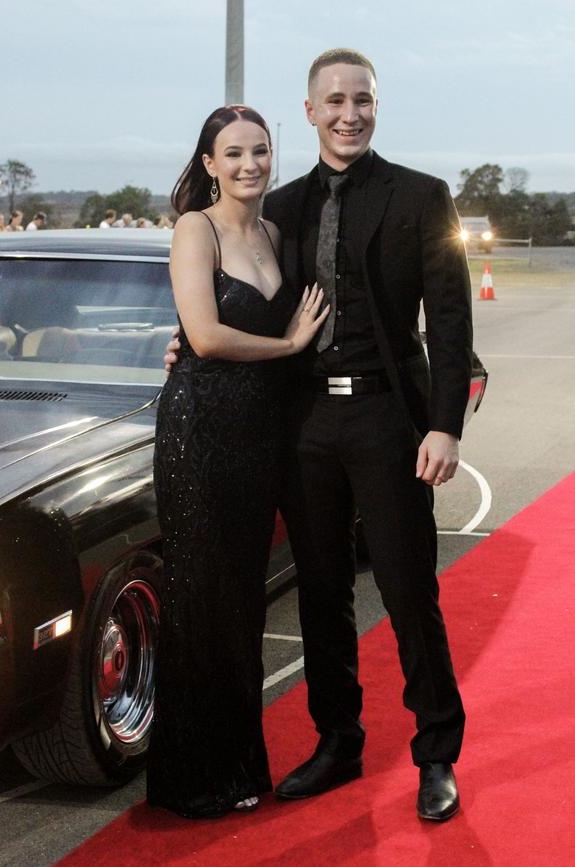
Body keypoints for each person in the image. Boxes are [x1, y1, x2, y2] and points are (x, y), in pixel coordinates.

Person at [166, 48, 472, 823]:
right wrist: (181, 346)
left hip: (386, 422)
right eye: (333, 101)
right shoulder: (284, 207)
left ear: (376, 106)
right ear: (310, 112)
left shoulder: (422, 197)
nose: (349, 113)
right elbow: (235, 307)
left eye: (361, 99)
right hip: (302, 425)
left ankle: (436, 752)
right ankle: (339, 739)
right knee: (322, 596)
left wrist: (444, 425)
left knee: (408, 590)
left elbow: (451, 318)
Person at [147, 104, 329, 820]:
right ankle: (192, 779)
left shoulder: (277, 231)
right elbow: (206, 334)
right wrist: (287, 346)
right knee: (202, 598)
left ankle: (238, 766)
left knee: (244, 602)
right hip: (199, 433)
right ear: (209, 163)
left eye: (261, 150)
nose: (250, 163)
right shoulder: (197, 228)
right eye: (234, 153)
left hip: (259, 436)